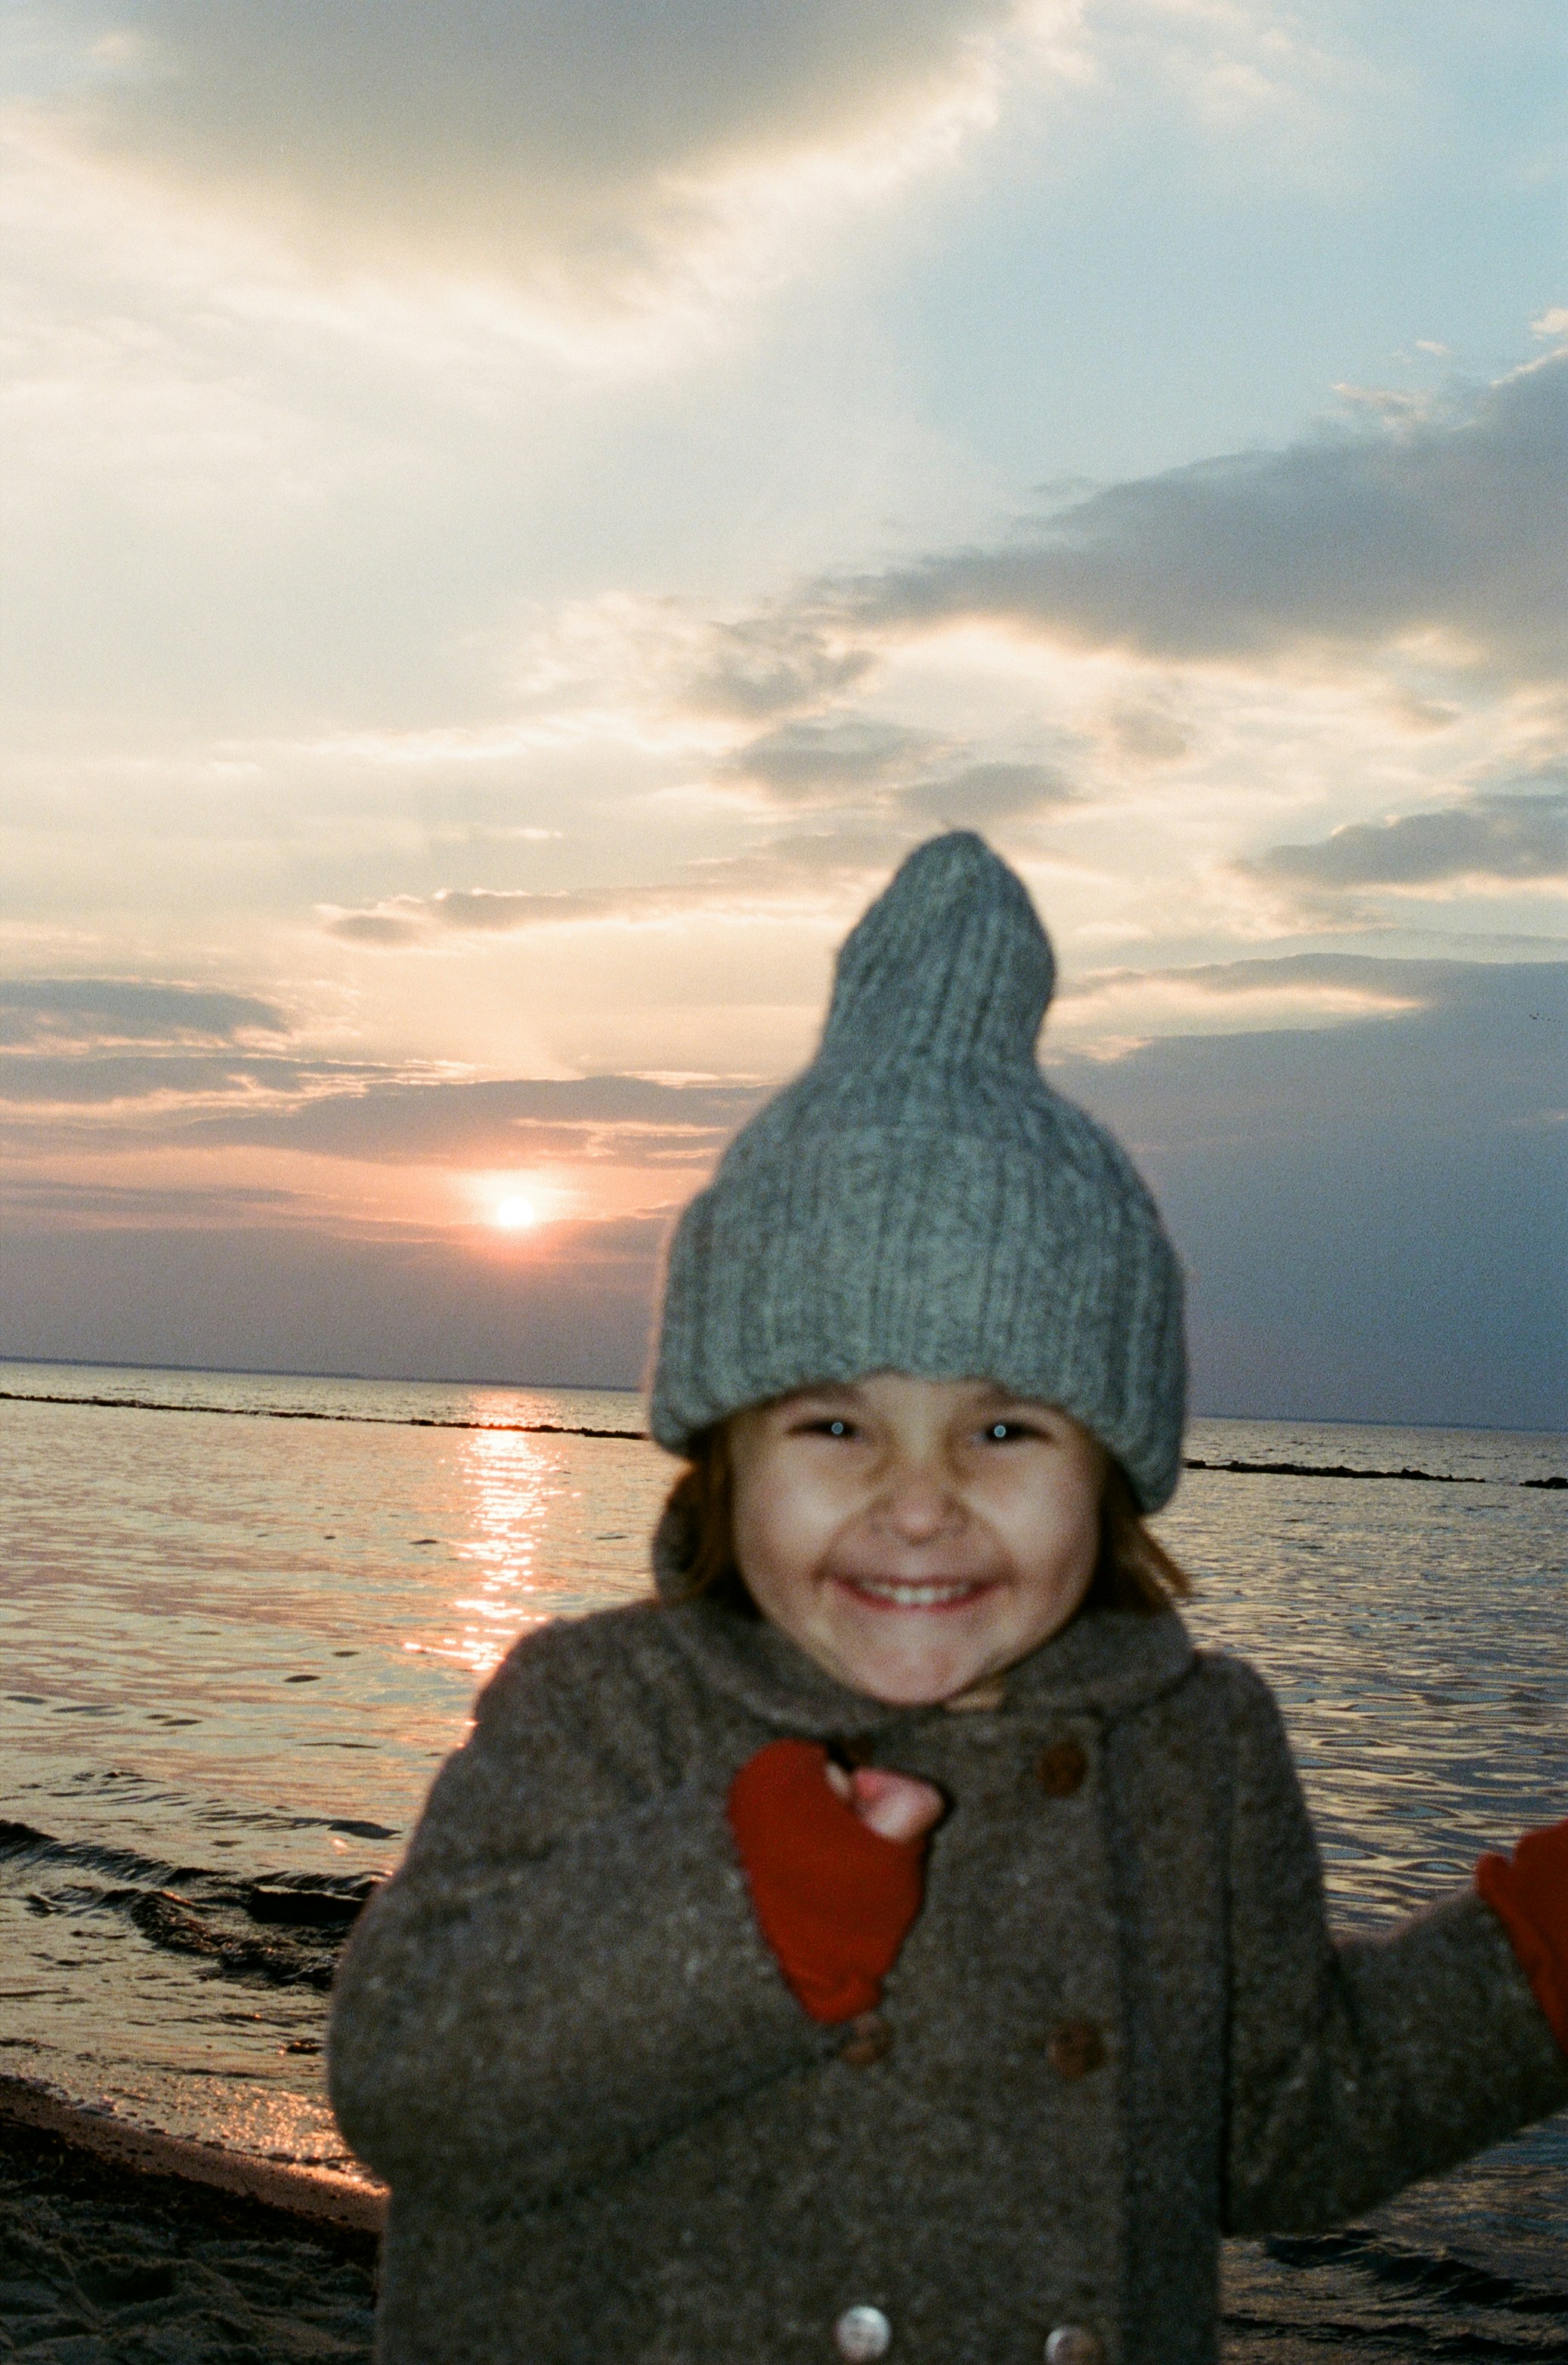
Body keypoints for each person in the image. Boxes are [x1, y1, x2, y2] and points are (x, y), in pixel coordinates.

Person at [328, 831, 1568, 2365]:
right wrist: (737, 1907)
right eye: (835, 1423)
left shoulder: (1196, 1747)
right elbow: (406, 2077)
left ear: (1107, 1465)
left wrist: (1535, 1960)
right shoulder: (600, 1705)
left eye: (1006, 1426)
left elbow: (1279, 2124)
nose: (920, 1500)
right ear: (724, 1451)